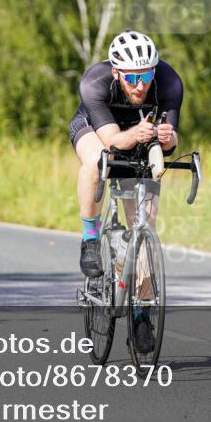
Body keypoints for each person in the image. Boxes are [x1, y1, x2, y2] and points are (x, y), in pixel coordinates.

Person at [69, 30, 183, 352]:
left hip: (140, 132)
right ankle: (90, 239)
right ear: (117, 72)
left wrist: (165, 137)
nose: (140, 84)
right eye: (132, 76)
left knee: (144, 230)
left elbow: (174, 141)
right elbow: (112, 142)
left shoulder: (169, 82)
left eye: (146, 75)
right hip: (96, 129)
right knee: (96, 161)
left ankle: (141, 312)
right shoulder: (95, 81)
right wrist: (137, 135)